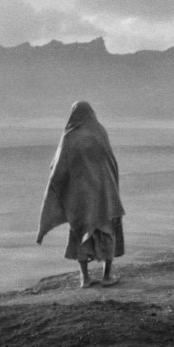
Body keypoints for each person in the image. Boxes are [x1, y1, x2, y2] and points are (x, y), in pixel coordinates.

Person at [36, 101, 125, 288]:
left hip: (79, 196)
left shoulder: (70, 136)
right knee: (107, 231)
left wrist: (61, 188)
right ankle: (107, 276)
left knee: (80, 231)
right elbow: (110, 163)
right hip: (102, 193)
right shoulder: (99, 132)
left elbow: (58, 167)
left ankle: (85, 278)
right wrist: (113, 189)